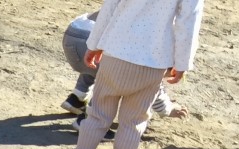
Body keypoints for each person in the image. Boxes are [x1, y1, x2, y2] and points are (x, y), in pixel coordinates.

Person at [62, 0, 204, 149]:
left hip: (116, 52)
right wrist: (182, 63)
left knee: (97, 115)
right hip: (154, 61)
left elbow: (110, 7)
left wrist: (94, 44)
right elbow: (188, 20)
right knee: (133, 122)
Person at [60, 9, 190, 137]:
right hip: (95, 40)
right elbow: (154, 87)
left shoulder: (153, 17)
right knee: (112, 79)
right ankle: (87, 120)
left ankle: (76, 98)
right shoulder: (158, 50)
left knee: (95, 68)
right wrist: (169, 109)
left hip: (75, 31)